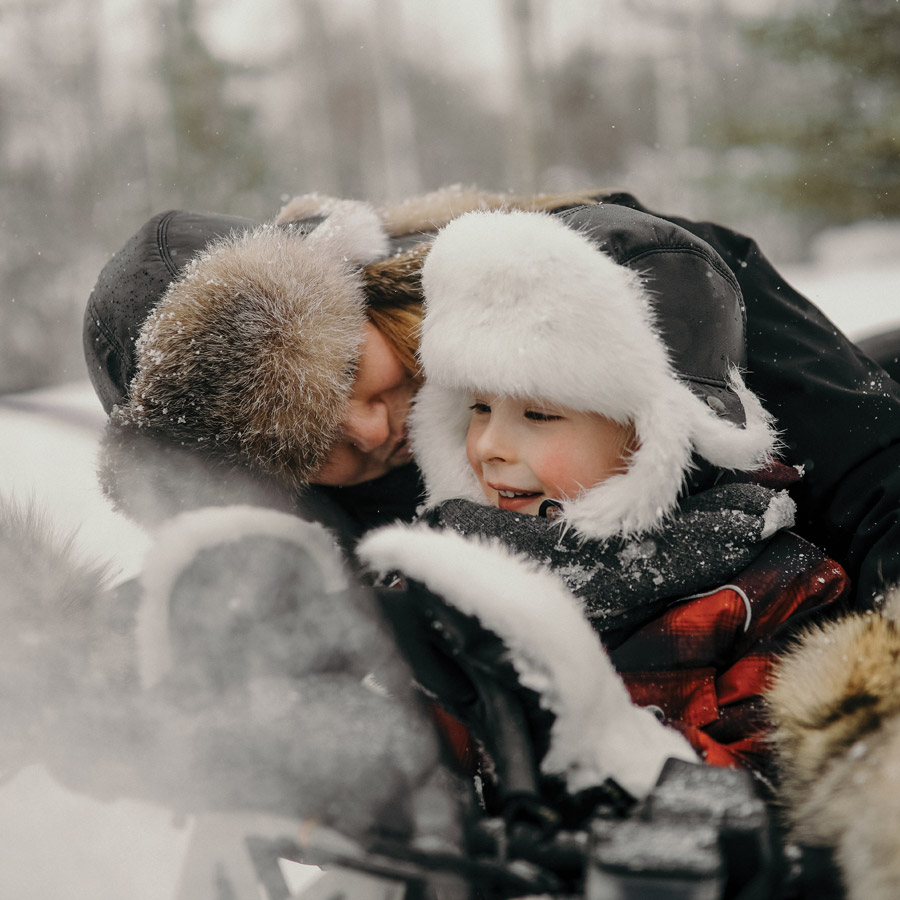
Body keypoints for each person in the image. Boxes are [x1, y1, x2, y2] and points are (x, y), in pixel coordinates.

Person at [356, 205, 849, 798]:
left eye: (539, 414)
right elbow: (378, 778)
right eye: (478, 408)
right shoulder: (443, 584)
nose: (488, 445)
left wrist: (602, 748)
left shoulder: (773, 595)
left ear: (656, 439)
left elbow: (770, 802)